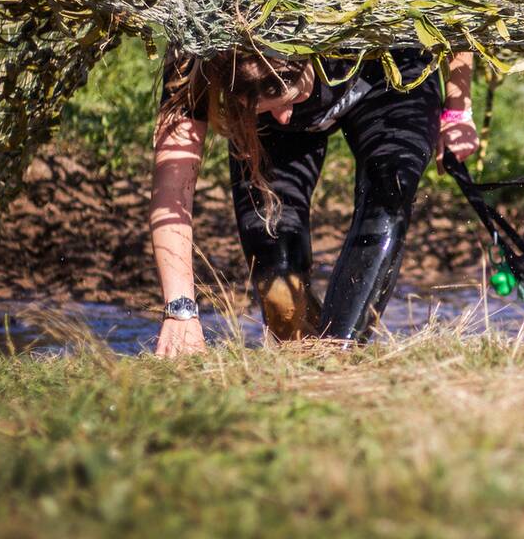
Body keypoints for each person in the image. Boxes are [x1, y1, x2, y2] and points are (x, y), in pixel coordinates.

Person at [151, 46, 478, 356]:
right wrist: (180, 311)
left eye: (291, 98)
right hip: (271, 81)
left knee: (386, 200)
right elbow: (172, 194)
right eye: (269, 106)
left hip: (388, 72)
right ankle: (298, 370)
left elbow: (458, 10)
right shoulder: (196, 58)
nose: (284, 115)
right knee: (276, 280)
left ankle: (339, 360)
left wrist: (458, 110)